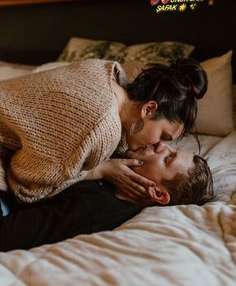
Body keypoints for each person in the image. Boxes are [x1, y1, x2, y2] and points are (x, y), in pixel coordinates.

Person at [0, 58, 207, 203]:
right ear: (149, 109)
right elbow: (26, 188)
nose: (160, 146)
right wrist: (100, 170)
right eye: (163, 136)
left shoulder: (107, 71)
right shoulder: (103, 125)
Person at [0, 143, 214, 251]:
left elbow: (7, 234)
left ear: (156, 192)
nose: (160, 145)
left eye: (167, 158)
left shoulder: (94, 210)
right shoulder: (111, 172)